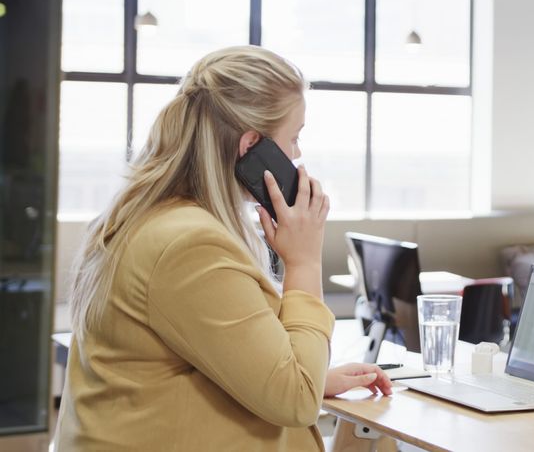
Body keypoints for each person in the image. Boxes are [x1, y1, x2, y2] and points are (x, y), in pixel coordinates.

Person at [55, 46, 391, 450]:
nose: (298, 154)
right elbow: (295, 402)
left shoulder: (151, 217)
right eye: (294, 137)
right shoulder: (190, 246)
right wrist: (303, 261)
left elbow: (208, 357)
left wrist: (310, 378)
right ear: (252, 146)